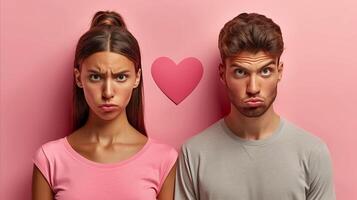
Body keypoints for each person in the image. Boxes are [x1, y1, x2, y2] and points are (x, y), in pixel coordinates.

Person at [175, 13, 335, 200]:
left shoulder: (312, 153)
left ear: (279, 72)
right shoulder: (194, 154)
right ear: (222, 73)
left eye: (265, 71)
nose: (253, 88)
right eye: (240, 72)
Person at [32, 11, 177, 200]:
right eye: (95, 77)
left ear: (137, 78)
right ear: (78, 78)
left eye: (120, 77)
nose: (108, 92)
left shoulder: (164, 160)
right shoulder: (50, 160)